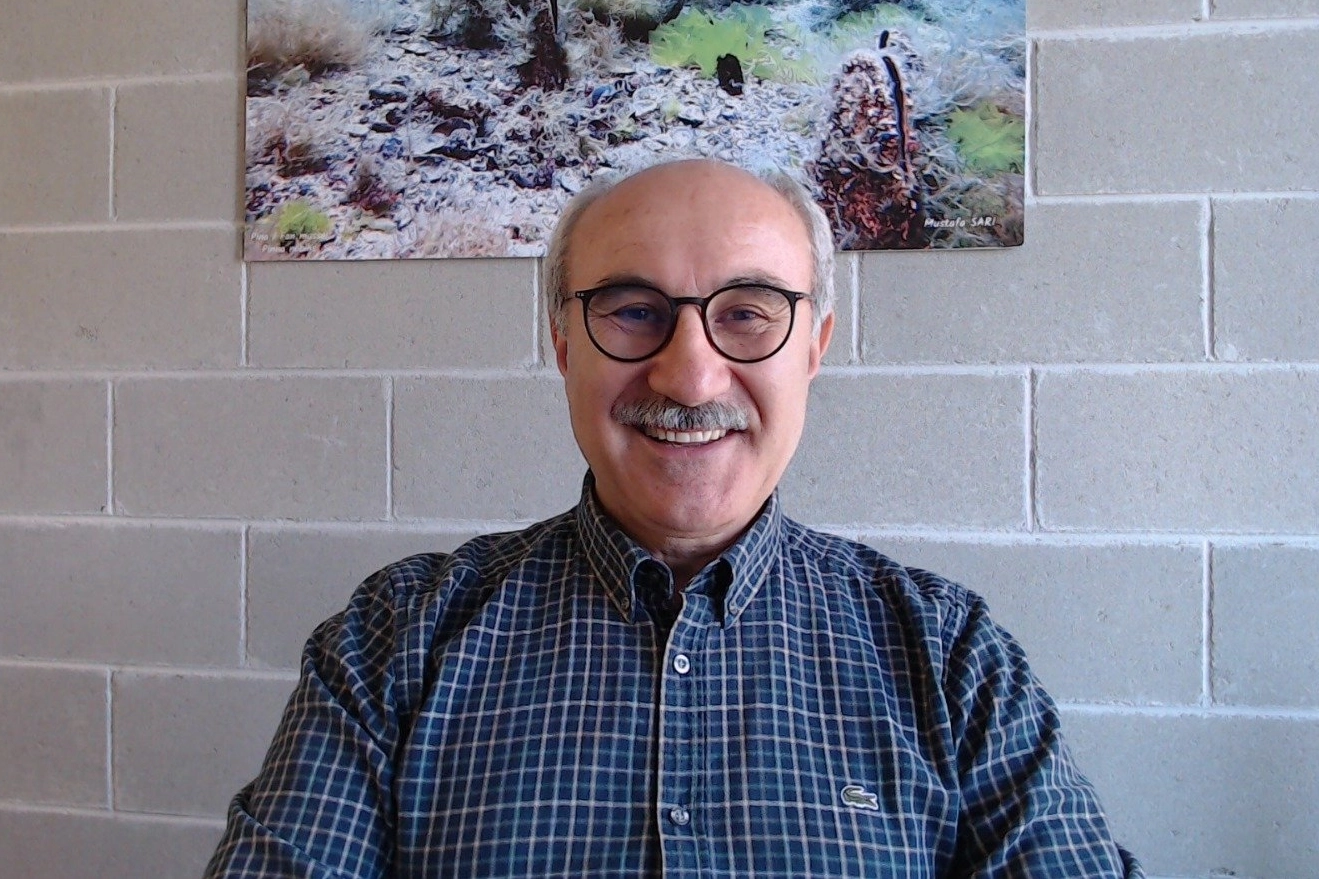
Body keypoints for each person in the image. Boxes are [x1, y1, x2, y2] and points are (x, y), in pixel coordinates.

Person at [205, 159, 1143, 878]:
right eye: (632, 310)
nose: (690, 376)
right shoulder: (394, 641)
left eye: (747, 313)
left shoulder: (949, 657)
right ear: (563, 343)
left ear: (813, 347)